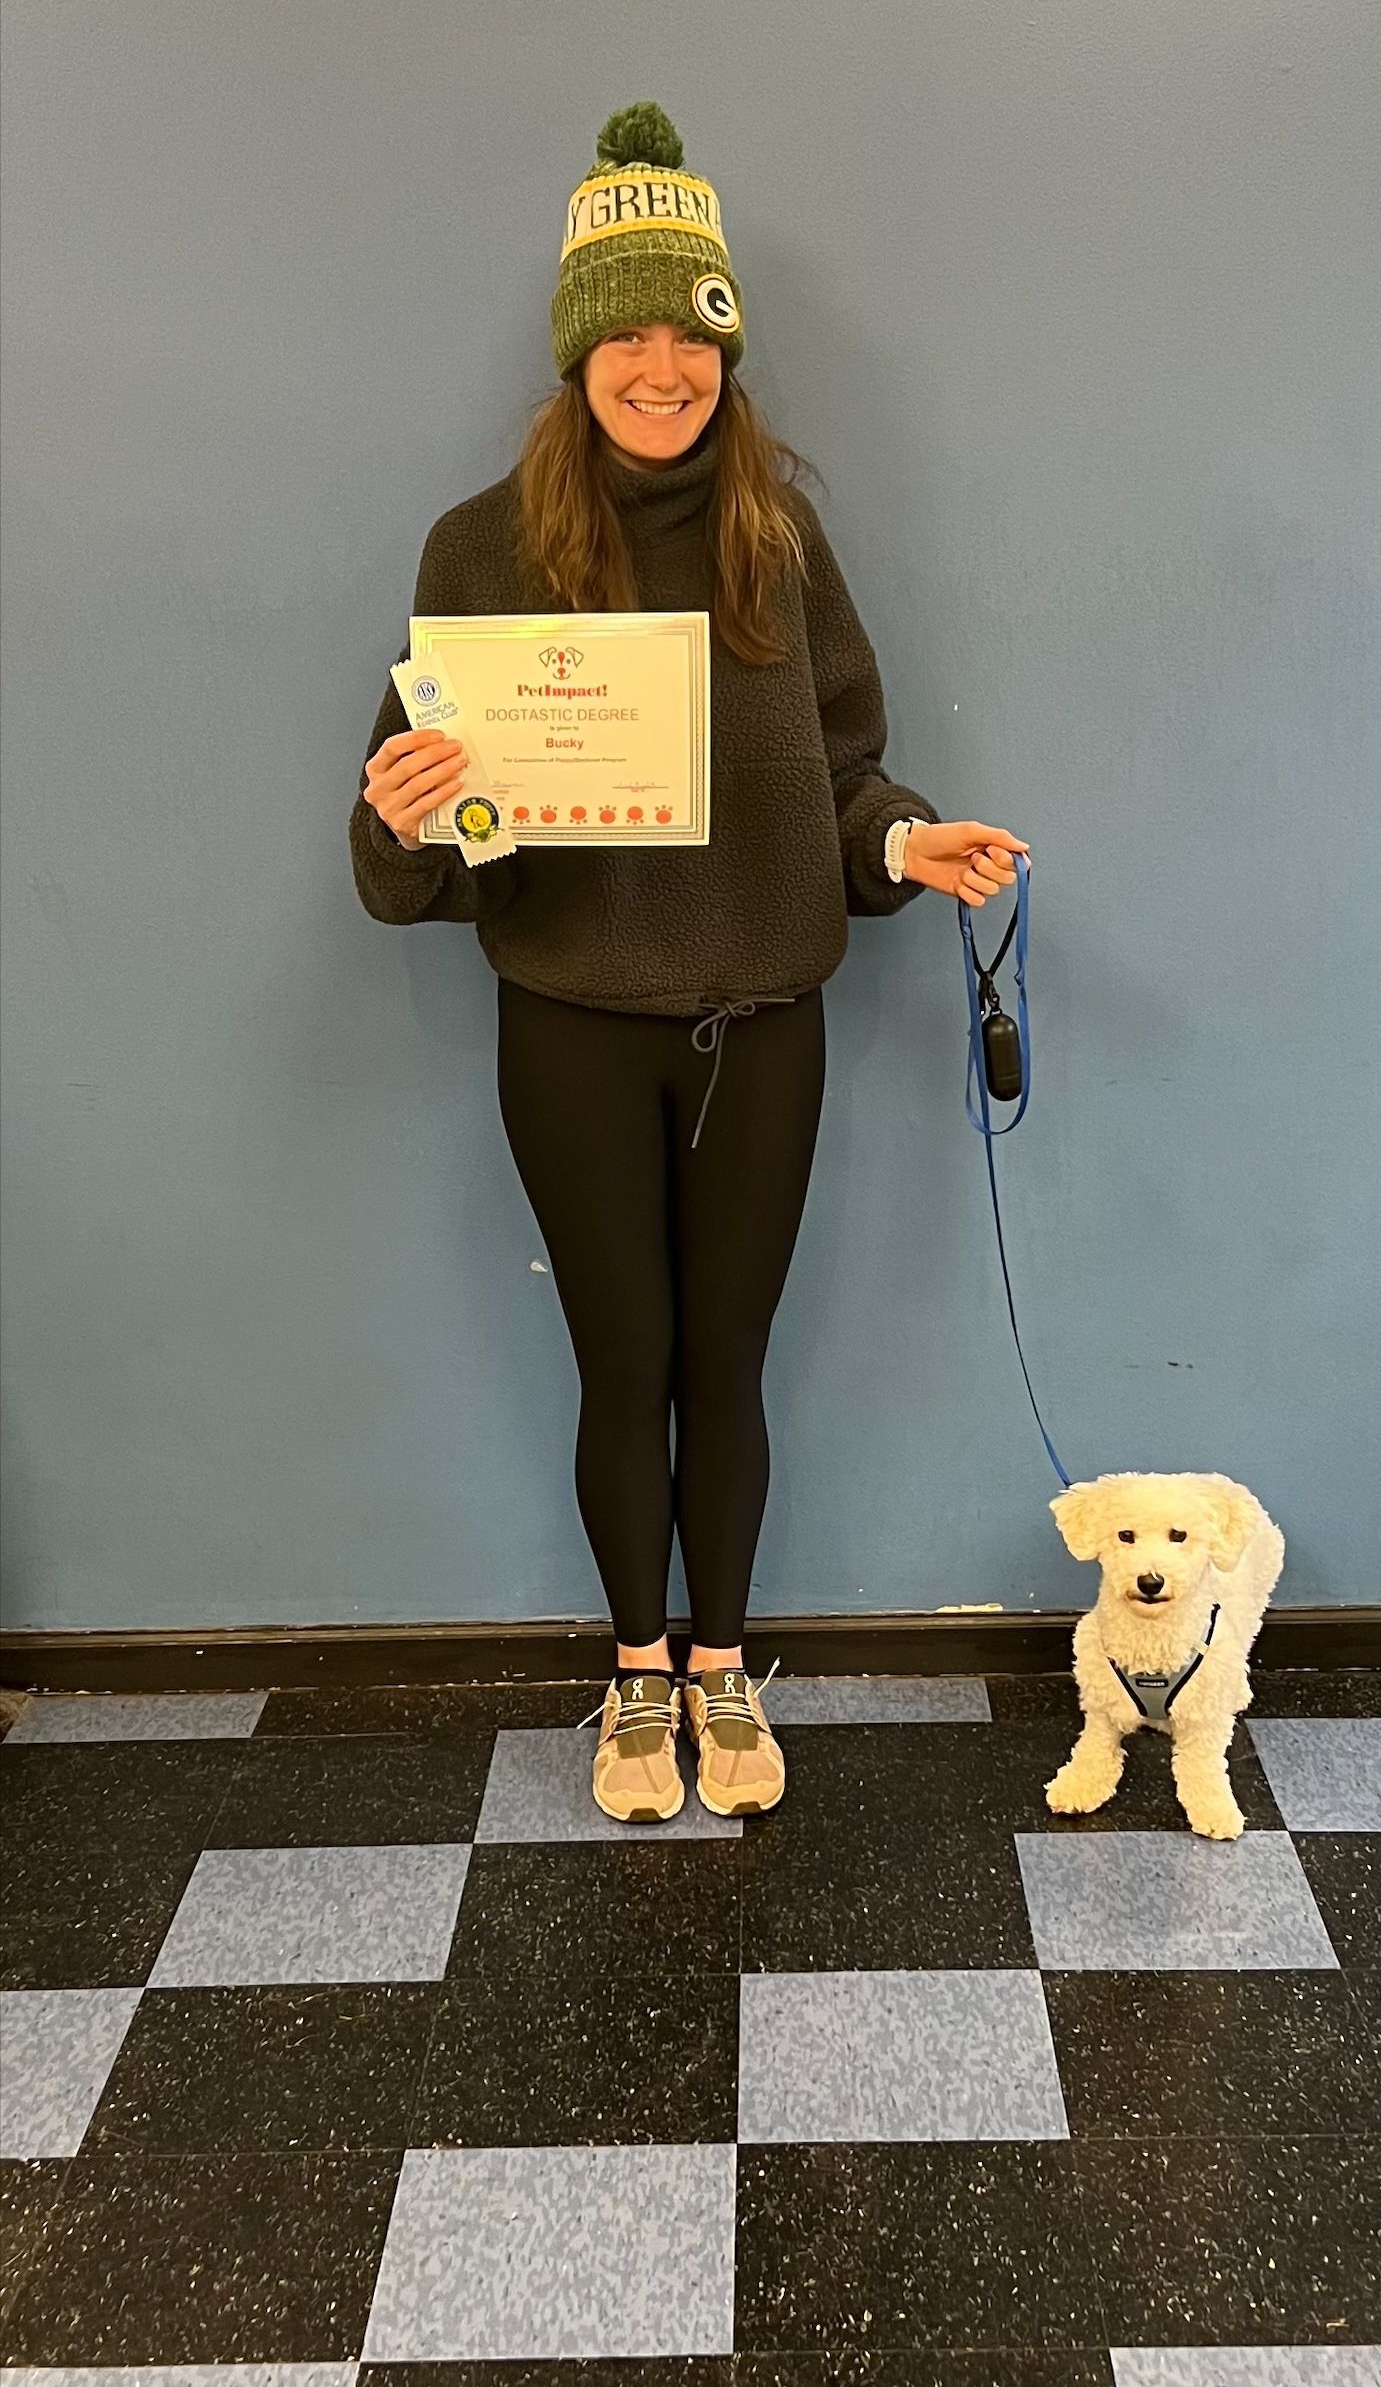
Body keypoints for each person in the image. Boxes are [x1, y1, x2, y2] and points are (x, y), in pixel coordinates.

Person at [350, 102, 1026, 1824]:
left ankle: (725, 1668)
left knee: (727, 1359)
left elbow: (848, 771)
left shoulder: (777, 544)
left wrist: (908, 844)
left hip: (762, 1022)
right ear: (579, 356)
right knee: (620, 1359)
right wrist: (410, 812)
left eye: (692, 334)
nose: (663, 367)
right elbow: (401, 852)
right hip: (571, 1024)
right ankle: (636, 1676)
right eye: (627, 337)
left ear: (726, 350)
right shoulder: (477, 549)